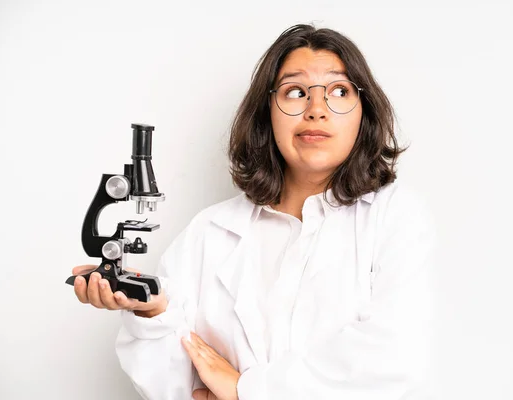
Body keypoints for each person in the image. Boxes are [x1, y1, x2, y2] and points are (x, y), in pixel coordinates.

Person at [71, 23, 437, 400]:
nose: (316, 110)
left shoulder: (395, 217)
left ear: (364, 113)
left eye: (339, 91)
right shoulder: (210, 231)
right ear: (267, 112)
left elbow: (394, 358)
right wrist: (153, 313)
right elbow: (171, 383)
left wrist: (243, 390)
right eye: (295, 92)